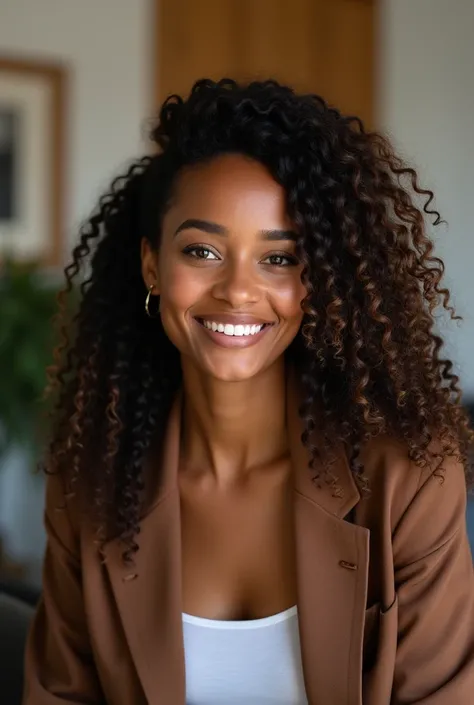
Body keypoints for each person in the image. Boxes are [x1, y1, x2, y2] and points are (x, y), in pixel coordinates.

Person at [23, 78, 474, 705]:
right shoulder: (91, 483)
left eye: (280, 259)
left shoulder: (410, 475)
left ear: (322, 279)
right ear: (153, 264)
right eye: (203, 250)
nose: (237, 291)